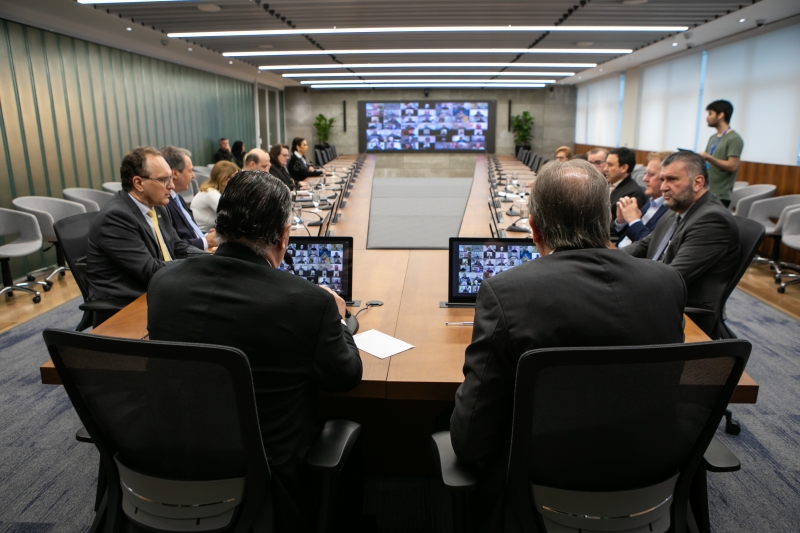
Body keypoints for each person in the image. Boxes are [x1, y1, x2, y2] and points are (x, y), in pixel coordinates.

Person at [450, 159, 686, 531]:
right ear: (607, 220)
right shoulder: (667, 282)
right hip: (648, 471)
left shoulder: (507, 291)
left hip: (539, 485)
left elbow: (472, 438)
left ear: (533, 228)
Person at [147, 171, 363, 530]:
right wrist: (339, 318)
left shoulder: (164, 282)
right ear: (283, 236)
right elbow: (346, 376)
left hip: (172, 459)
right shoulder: (308, 303)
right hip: (266, 474)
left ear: (220, 228)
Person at [624, 151, 740, 339]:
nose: (663, 187)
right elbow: (643, 246)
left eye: (671, 179)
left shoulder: (713, 220)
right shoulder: (677, 210)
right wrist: (605, 258)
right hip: (658, 295)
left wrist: (623, 278)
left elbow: (673, 276)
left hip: (682, 312)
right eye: (662, 179)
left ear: (698, 183)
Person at [86, 147, 203, 311]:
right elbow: (150, 270)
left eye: (171, 178)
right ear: (138, 183)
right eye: (164, 180)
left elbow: (178, 246)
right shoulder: (116, 218)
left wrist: (212, 258)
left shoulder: (159, 207)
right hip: (130, 301)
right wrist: (200, 268)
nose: (171, 185)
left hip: (161, 286)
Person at [160, 146, 217, 251]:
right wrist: (206, 241)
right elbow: (174, 245)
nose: (193, 176)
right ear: (175, 173)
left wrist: (206, 235)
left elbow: (190, 233)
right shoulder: (163, 204)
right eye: (190, 171)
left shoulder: (178, 198)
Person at [614, 150, 672, 248]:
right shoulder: (650, 201)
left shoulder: (670, 211)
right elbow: (626, 236)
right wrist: (622, 222)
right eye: (646, 173)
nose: (644, 179)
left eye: (651, 174)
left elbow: (651, 248)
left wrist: (634, 221)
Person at [699, 100, 744, 207]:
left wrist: (709, 158)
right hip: (706, 190)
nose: (707, 117)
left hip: (720, 195)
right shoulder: (713, 138)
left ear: (721, 115)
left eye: (710, 113)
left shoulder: (734, 138)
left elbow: (732, 166)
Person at [191, 160, 238, 232]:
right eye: (235, 178)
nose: (237, 181)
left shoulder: (212, 191)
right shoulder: (211, 193)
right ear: (224, 179)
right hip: (201, 234)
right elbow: (231, 216)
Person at [605, 147, 647, 223]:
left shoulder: (633, 194)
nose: (605, 169)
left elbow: (620, 226)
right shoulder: (605, 184)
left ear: (624, 168)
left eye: (610, 165)